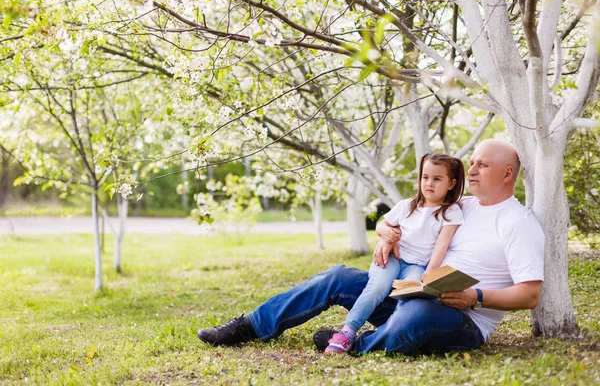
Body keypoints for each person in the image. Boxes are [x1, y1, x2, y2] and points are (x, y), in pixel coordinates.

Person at [196, 139, 545, 355]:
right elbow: (399, 223)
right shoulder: (458, 206)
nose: (473, 168)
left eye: (483, 164)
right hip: (410, 291)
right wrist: (385, 237)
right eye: (472, 162)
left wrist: (476, 297)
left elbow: (530, 295)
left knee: (416, 315)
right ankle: (252, 326)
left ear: (508, 173)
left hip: (461, 318)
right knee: (338, 276)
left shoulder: (518, 222)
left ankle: (354, 343)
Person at [324, 153, 465, 353]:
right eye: (425, 177)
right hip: (392, 259)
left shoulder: (450, 213)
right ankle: (347, 332)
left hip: (417, 266)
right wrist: (388, 234)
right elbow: (381, 225)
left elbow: (441, 245)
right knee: (377, 287)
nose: (429, 183)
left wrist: (431, 271)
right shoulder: (406, 206)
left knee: (411, 295)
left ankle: (391, 332)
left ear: (451, 184)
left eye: (437, 179)